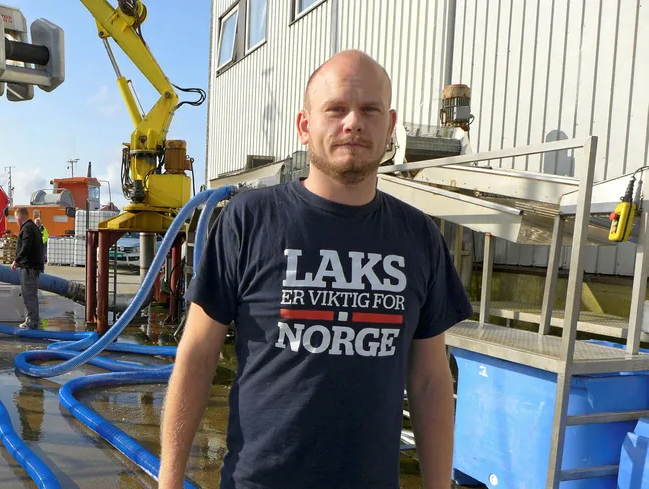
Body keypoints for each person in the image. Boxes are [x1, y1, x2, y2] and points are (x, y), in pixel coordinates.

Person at [157, 50, 473, 489]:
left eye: (369, 110)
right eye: (336, 109)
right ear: (305, 125)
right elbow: (196, 357)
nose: (353, 123)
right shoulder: (248, 220)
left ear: (390, 125)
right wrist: (169, 481)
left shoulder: (419, 237)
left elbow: (429, 380)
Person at [12, 208, 44, 328]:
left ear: (19, 217)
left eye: (16, 219)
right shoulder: (33, 227)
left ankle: (32, 321)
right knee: (31, 294)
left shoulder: (27, 228)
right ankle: (33, 319)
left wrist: (16, 260)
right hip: (33, 267)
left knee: (29, 294)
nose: (16, 222)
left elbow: (26, 247)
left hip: (29, 267)